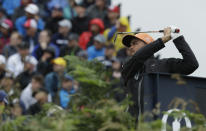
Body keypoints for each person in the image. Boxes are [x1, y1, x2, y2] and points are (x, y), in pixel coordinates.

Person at [121, 27, 199, 120]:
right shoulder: (128, 66)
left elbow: (191, 64)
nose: (131, 47)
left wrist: (178, 38)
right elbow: (138, 57)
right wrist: (164, 39)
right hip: (133, 125)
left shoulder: (165, 64)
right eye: (130, 45)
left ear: (148, 45)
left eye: (135, 43)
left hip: (158, 124)